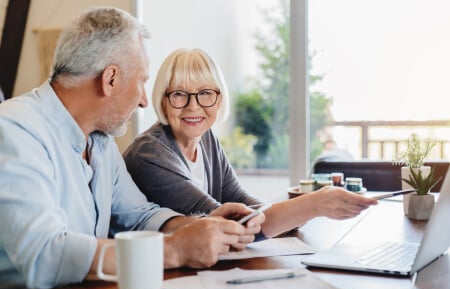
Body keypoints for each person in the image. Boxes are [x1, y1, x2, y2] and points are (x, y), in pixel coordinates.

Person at [0, 8, 264, 289]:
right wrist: (173, 250)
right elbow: (44, 255)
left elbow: (139, 216)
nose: (143, 101)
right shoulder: (14, 130)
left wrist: (201, 225)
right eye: (141, 82)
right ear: (110, 79)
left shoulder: (100, 141)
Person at [123, 48, 378, 239]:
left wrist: (288, 217)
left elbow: (240, 200)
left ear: (219, 98)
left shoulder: (207, 139)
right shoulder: (150, 154)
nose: (194, 106)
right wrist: (311, 205)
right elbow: (226, 224)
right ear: (163, 100)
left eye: (205, 94)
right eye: (179, 94)